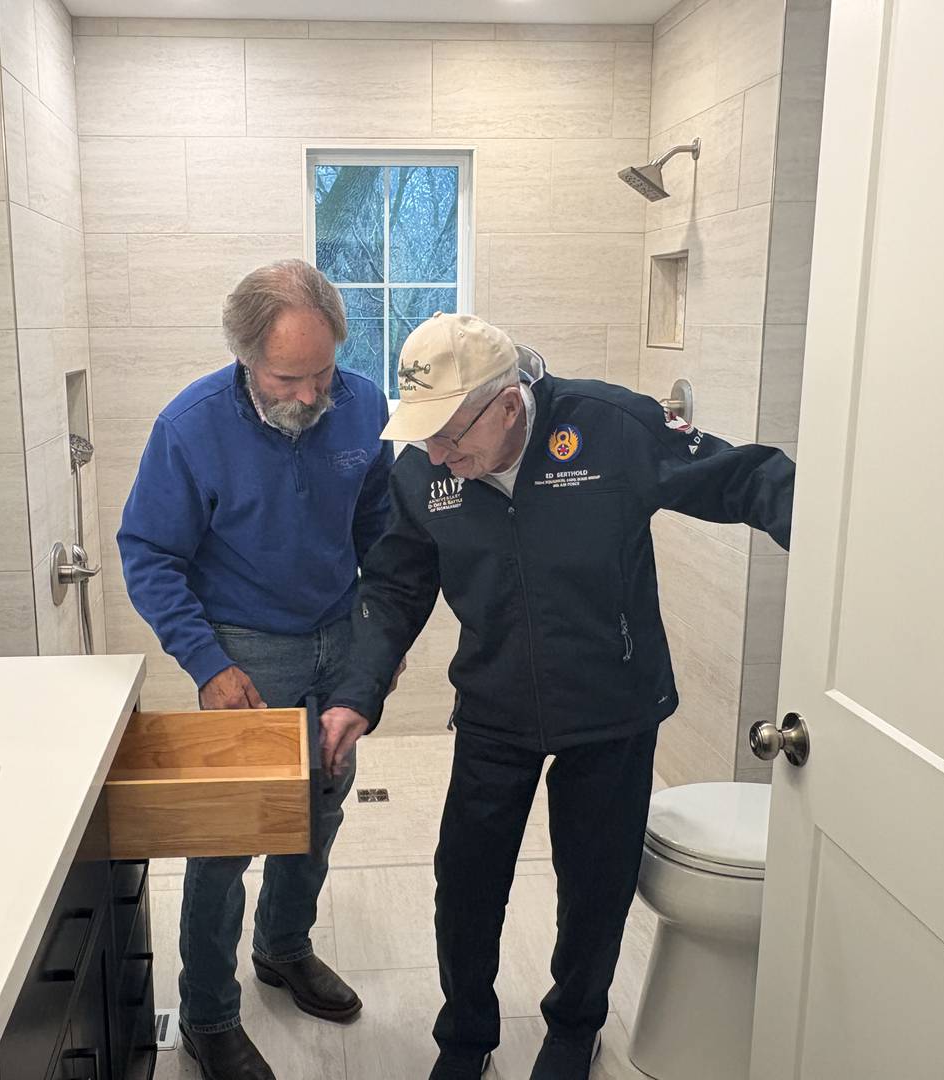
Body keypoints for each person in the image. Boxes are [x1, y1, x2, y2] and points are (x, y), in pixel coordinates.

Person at [319, 312, 795, 1080]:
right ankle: (465, 1039)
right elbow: (396, 587)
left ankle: (574, 1029)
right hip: (495, 708)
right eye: (424, 435)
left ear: (507, 404)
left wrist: (846, 536)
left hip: (613, 706)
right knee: (466, 884)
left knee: (594, 887)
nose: (438, 454)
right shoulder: (422, 471)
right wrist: (355, 693)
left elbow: (741, 478)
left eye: (451, 435)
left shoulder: (609, 427)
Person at [118, 259, 395, 1080]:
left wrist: (374, 641)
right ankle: (207, 1013)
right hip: (243, 650)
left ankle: (284, 947)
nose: (311, 397)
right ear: (244, 358)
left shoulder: (364, 405)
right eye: (288, 378)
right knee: (229, 837)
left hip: (337, 632)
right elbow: (150, 554)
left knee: (320, 804)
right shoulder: (191, 426)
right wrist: (207, 664)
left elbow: (382, 529)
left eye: (323, 373)